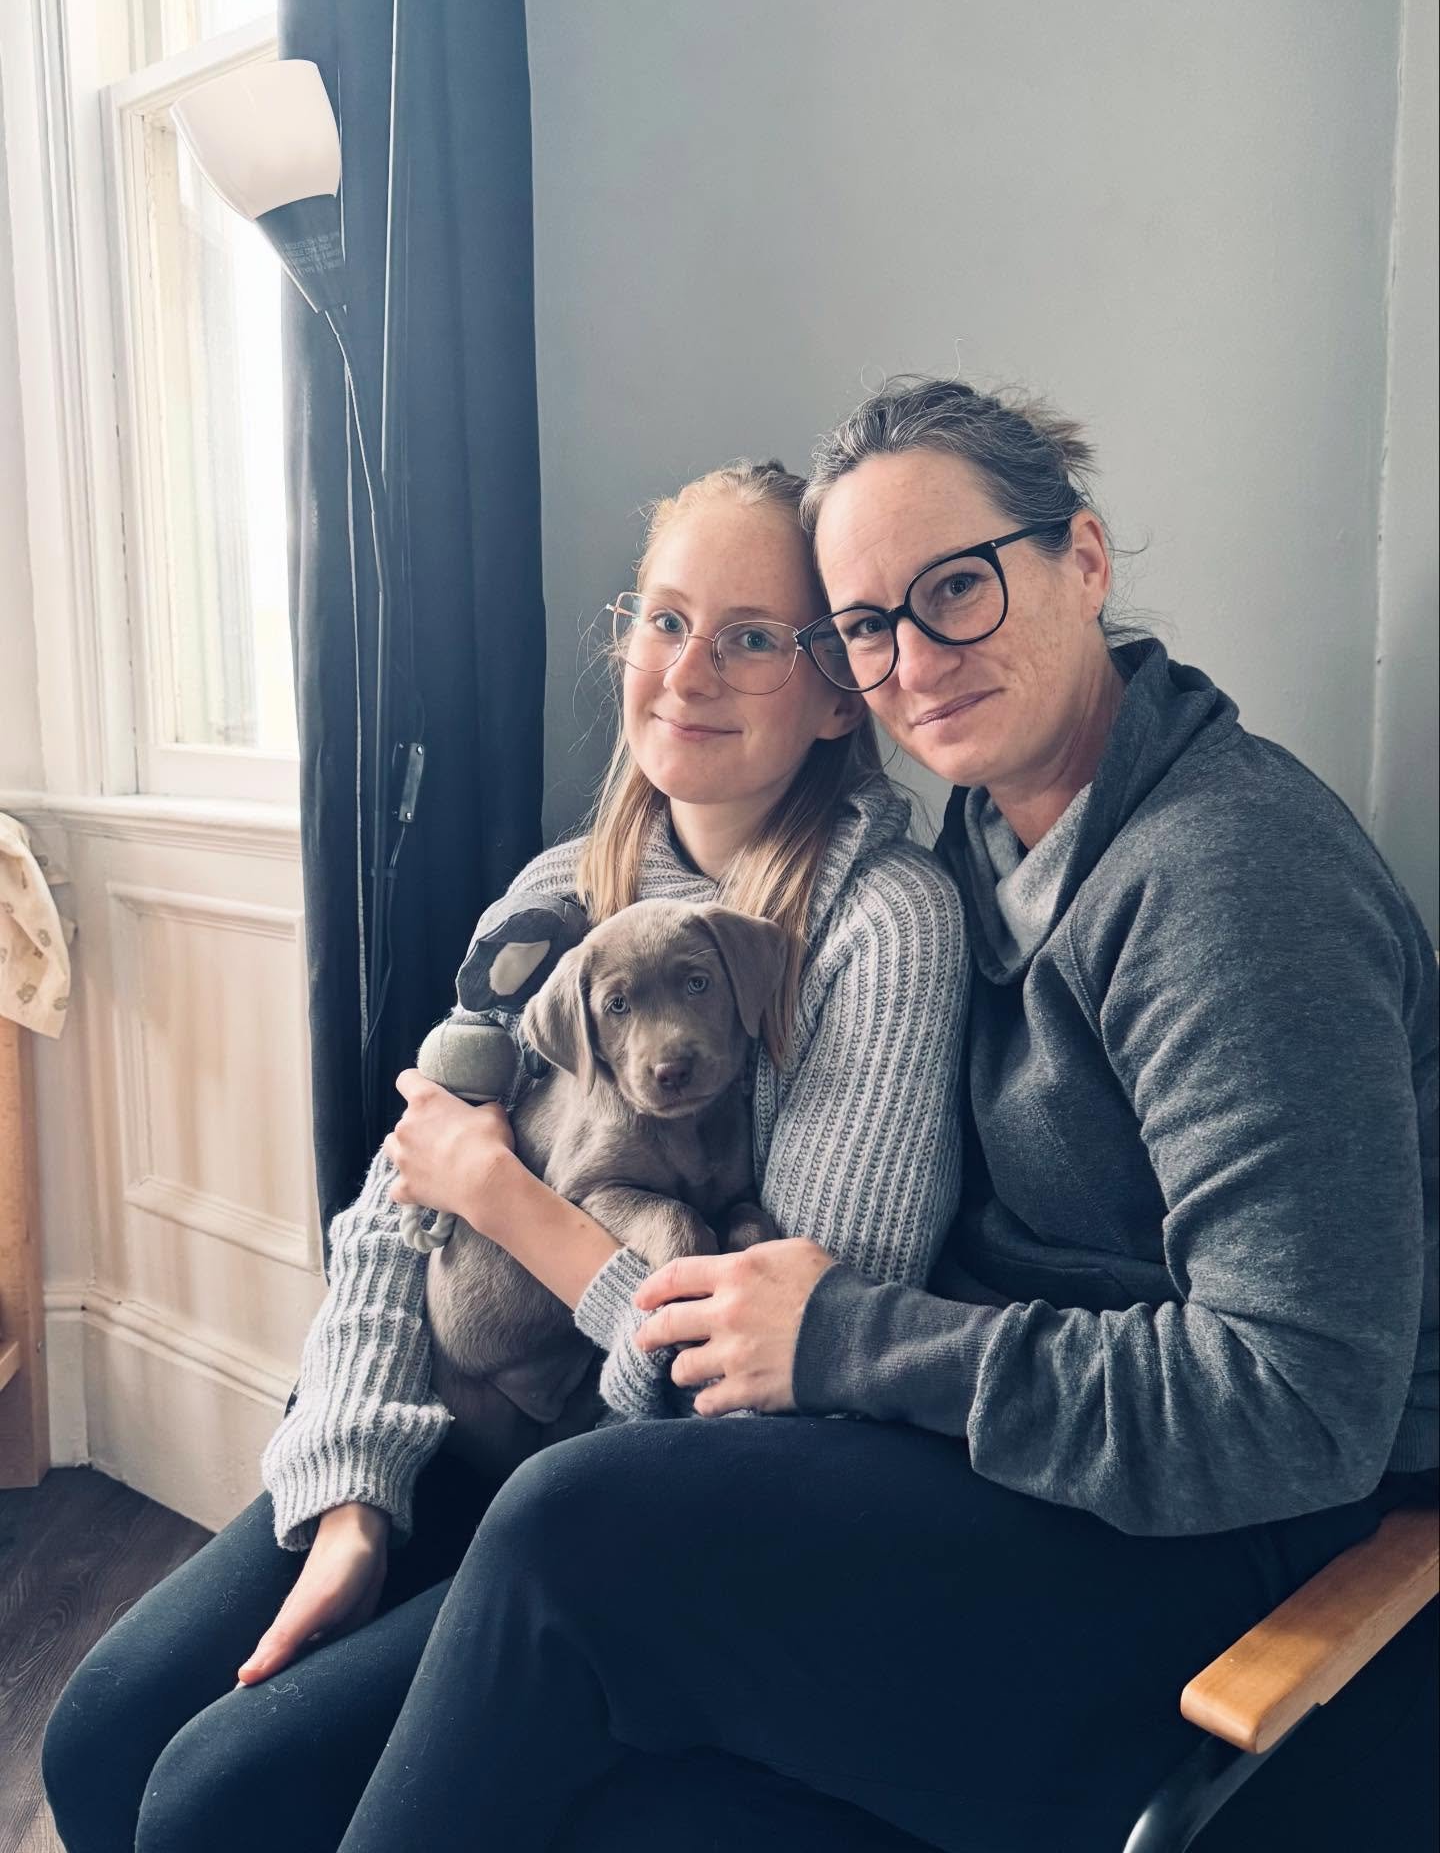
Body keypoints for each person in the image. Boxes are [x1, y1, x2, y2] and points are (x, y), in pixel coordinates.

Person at [316, 378, 1432, 1853]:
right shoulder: (993, 828)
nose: (914, 660)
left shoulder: (1232, 884)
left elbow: (1297, 1410)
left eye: (955, 589)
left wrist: (850, 1334)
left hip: (1211, 1552)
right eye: (867, 624)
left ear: (1083, 562)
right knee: (220, 1782)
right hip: (997, 1460)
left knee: (577, 1522)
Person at [40, 459, 970, 1853]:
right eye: (663, 621)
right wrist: (354, 1492)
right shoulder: (556, 899)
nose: (689, 669)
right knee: (103, 1735)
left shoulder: (880, 929)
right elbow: (391, 1212)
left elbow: (793, 1372)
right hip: (461, 1427)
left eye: (752, 635)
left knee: (216, 1803)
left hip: (625, 1497)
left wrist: (508, 1198)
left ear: (840, 687)